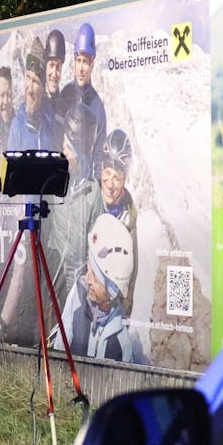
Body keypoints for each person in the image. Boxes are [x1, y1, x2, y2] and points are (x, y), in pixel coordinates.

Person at [56, 213, 145, 363]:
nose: (87, 279)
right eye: (88, 269)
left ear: (112, 291)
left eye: (95, 278)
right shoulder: (78, 294)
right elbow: (59, 348)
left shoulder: (121, 343)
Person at [88, 129, 139, 314]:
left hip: (110, 307)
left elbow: (130, 273)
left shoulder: (128, 213)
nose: (110, 184)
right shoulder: (90, 199)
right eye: (107, 173)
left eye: (116, 177)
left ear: (125, 179)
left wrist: (122, 316)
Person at [55, 23, 107, 185]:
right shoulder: (65, 95)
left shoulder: (97, 106)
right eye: (78, 61)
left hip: (85, 186)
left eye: (86, 61)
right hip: (63, 181)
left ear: (92, 65)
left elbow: (98, 156)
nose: (81, 68)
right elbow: (56, 140)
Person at [8, 36, 57, 151]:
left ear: (43, 87)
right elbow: (8, 167)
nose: (29, 89)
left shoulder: (51, 122)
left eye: (35, 81)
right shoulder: (18, 126)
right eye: (28, 77)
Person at [44, 29, 68, 110]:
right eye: (51, 65)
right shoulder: (34, 102)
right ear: (45, 67)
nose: (54, 74)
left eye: (58, 66)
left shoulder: (61, 107)